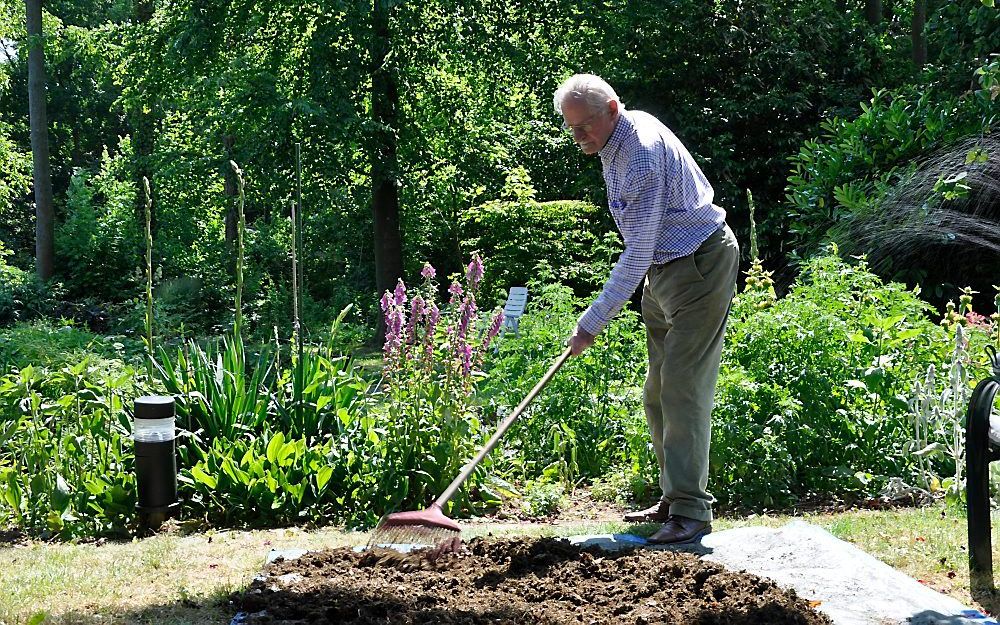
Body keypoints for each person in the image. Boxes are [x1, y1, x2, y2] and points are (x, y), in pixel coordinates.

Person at [554, 74, 739, 545]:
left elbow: (634, 255)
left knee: (681, 386)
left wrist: (590, 323)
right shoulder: (617, 137)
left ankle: (692, 512)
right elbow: (643, 249)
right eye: (571, 129)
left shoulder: (639, 156)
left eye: (584, 127)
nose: (579, 138)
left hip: (697, 262)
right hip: (664, 267)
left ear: (612, 108)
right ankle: (673, 498)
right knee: (656, 390)